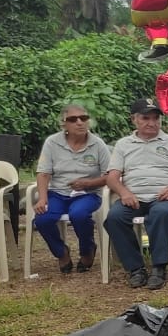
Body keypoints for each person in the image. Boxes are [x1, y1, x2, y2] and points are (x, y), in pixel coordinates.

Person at [103, 98, 168, 290]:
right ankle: (135, 269)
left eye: (156, 118)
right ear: (134, 119)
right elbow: (112, 178)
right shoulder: (123, 145)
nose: (152, 123)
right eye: (146, 118)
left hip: (163, 197)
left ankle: (159, 268)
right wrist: (124, 192)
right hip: (133, 197)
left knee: (160, 213)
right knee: (114, 218)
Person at [32, 104, 110, 274]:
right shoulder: (52, 142)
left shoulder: (98, 145)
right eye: (73, 119)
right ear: (64, 124)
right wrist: (43, 198)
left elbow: (110, 176)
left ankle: (87, 250)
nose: (79, 122)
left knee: (79, 214)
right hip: (58, 193)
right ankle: (61, 252)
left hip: (88, 194)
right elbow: (43, 173)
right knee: (42, 219)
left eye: (84, 118)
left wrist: (88, 183)